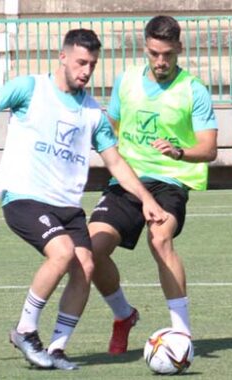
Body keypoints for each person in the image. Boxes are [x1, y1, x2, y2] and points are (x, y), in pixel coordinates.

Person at [0, 29, 168, 370]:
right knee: (61, 254)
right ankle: (26, 330)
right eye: (80, 62)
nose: (86, 71)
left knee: (85, 267)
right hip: (25, 197)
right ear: (62, 57)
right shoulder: (29, 88)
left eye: (91, 64)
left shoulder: (92, 112)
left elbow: (115, 161)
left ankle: (57, 349)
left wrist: (147, 198)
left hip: (68, 206)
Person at [87, 15, 218, 355]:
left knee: (160, 240)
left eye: (168, 55)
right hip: (127, 180)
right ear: (145, 48)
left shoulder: (194, 90)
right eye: (154, 54)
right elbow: (111, 128)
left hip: (170, 182)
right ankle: (123, 315)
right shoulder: (126, 81)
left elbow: (209, 149)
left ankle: (182, 333)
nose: (161, 62)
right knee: (90, 249)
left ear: (179, 50)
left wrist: (178, 152)